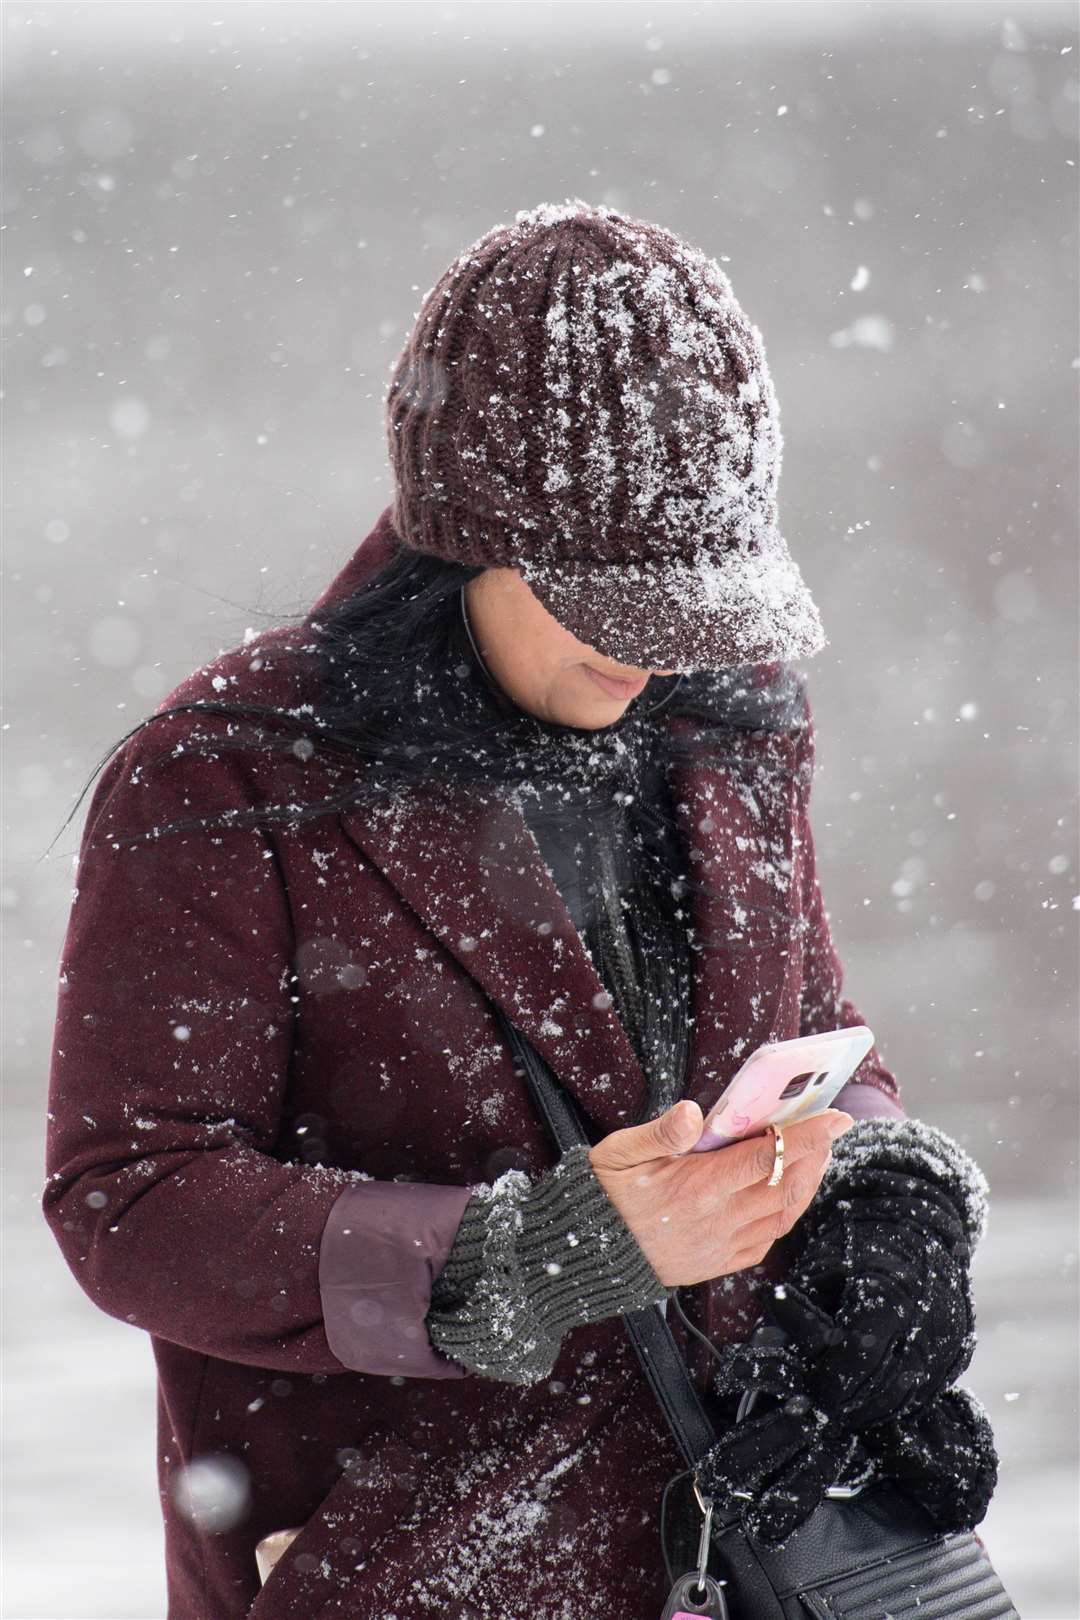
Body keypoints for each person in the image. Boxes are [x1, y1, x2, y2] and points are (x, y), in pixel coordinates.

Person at [42, 200, 994, 1618]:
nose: (657, 655)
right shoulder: (222, 780)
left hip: (749, 1559)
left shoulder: (732, 730)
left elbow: (813, 1041)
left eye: (695, 606)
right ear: (465, 535)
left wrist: (879, 1195)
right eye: (617, 603)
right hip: (400, 1570)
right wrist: (525, 1259)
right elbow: (129, 1202)